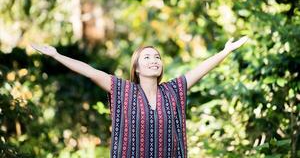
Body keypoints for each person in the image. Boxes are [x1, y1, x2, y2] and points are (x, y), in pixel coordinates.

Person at [30, 36, 248, 158]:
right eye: (147, 57)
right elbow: (89, 71)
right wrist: (55, 54)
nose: (154, 60)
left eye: (157, 57)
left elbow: (201, 69)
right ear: (137, 67)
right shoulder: (122, 90)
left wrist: (226, 51)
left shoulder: (173, 90)